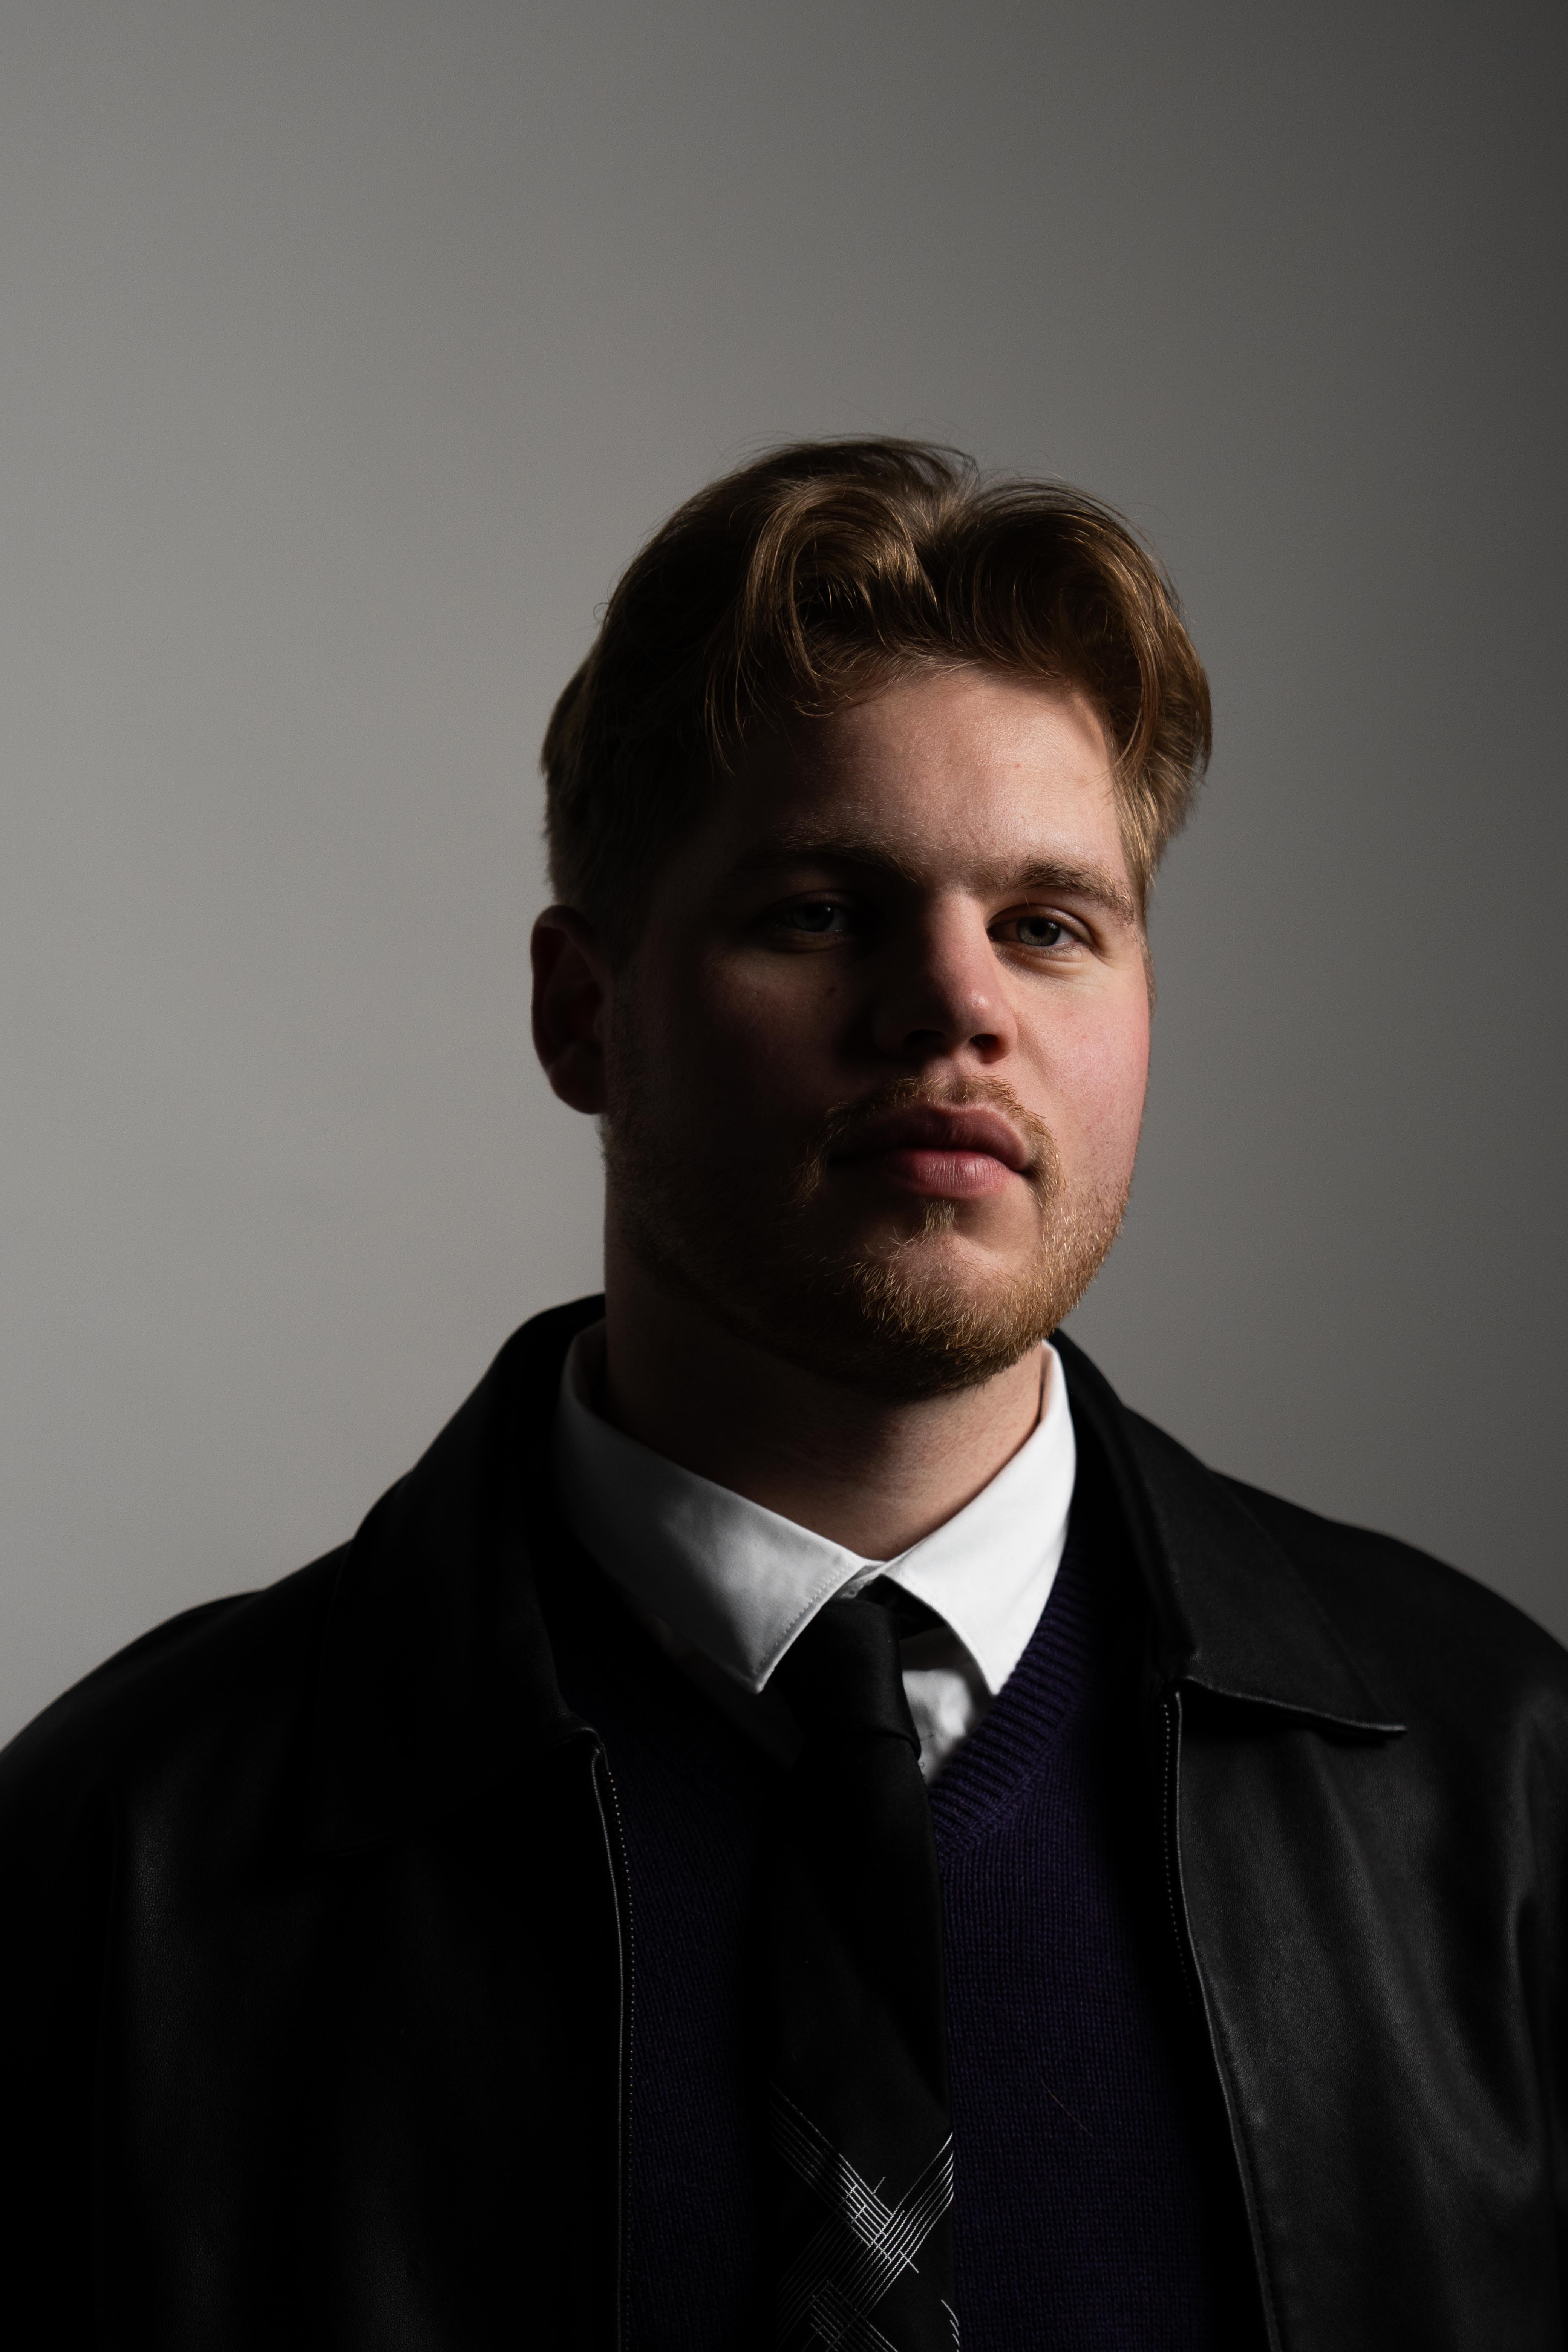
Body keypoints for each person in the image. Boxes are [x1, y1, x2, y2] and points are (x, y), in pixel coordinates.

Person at [0, 439, 1562, 2352]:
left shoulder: (1493, 1788)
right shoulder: (118, 1857)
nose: (954, 1007)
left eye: (1050, 923)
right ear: (586, 1014)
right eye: (822, 909)